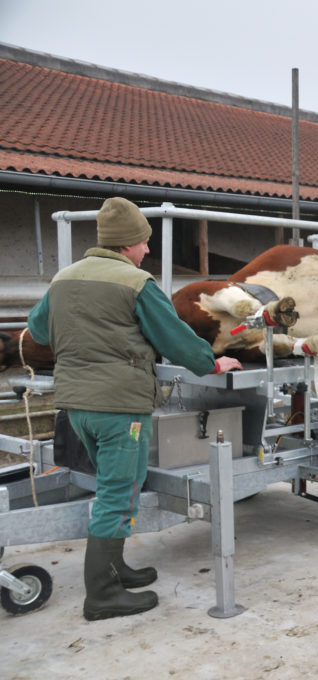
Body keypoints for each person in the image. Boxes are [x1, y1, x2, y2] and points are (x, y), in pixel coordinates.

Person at [26, 197, 243, 621]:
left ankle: (116, 568)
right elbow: (175, 339)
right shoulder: (136, 283)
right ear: (128, 244)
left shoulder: (64, 279)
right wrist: (212, 362)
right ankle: (102, 595)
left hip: (76, 405)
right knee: (118, 493)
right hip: (119, 407)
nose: (147, 250)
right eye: (144, 242)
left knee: (112, 485)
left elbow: (37, 328)